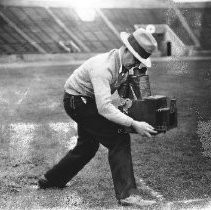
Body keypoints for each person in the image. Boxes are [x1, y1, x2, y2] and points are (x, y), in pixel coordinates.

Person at [38, 28, 159, 207]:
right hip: (76, 101)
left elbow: (122, 95)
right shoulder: (104, 67)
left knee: (87, 146)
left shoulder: (124, 65)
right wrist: (134, 123)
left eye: (138, 61)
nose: (135, 64)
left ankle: (51, 180)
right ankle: (127, 195)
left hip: (89, 100)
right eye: (134, 59)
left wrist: (138, 107)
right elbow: (104, 108)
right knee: (119, 138)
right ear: (125, 49)